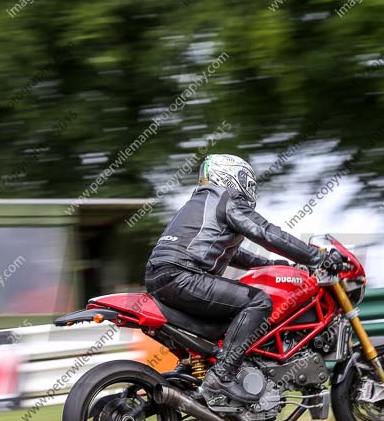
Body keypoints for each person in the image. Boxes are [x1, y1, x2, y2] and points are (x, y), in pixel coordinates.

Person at [145, 154, 343, 403]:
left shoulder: (200, 203)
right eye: (245, 180)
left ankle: (193, 373)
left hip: (160, 277)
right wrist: (316, 257)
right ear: (229, 176)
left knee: (226, 317)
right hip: (183, 276)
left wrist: (270, 264)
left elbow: (230, 252)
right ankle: (223, 375)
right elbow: (266, 233)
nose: (249, 187)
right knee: (258, 301)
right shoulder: (225, 198)